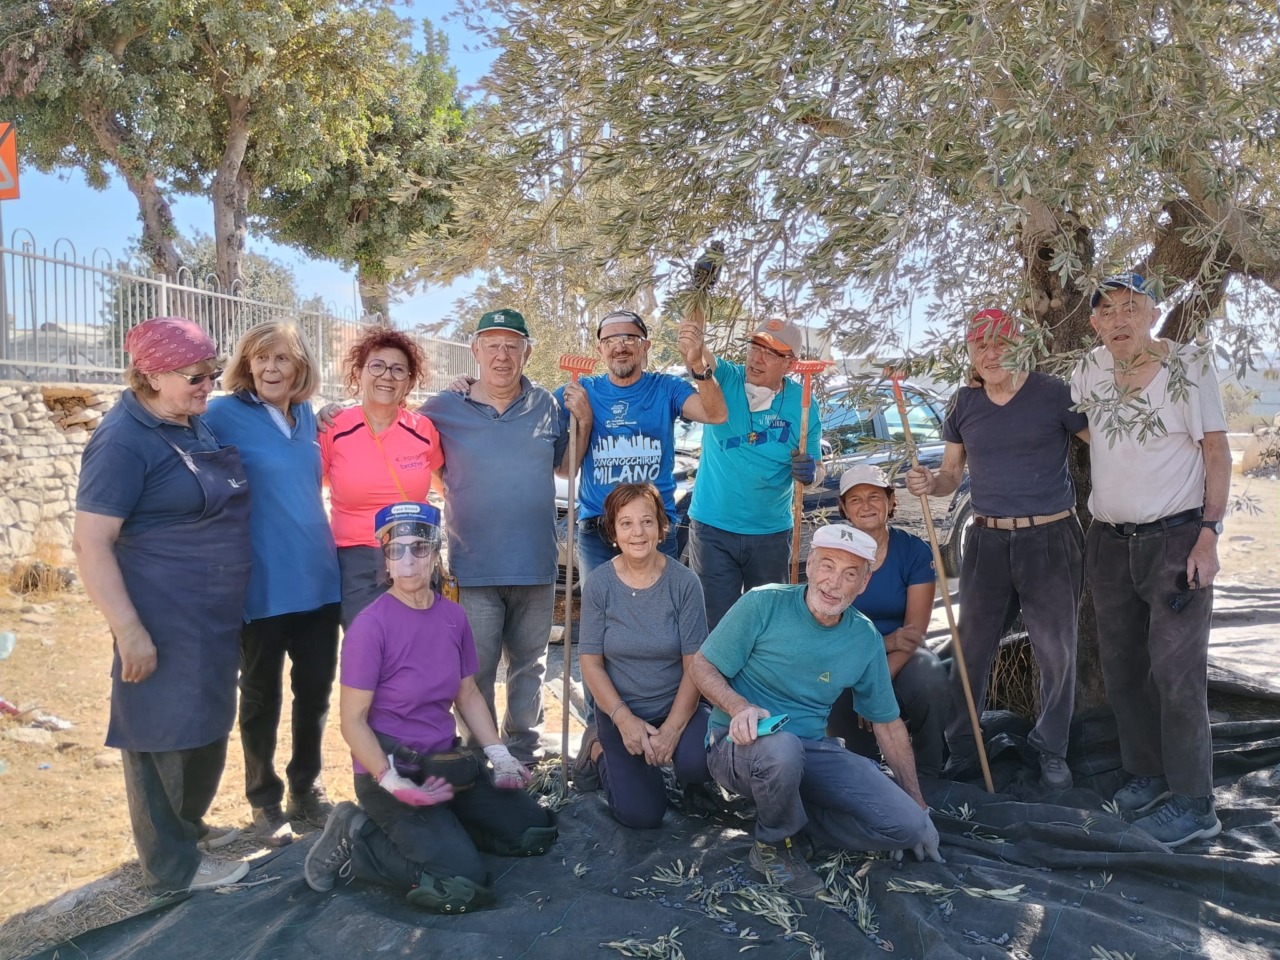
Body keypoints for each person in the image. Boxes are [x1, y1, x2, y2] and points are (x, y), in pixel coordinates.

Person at [303, 503, 557, 913]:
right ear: (384, 559)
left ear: (436, 550)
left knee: (533, 833)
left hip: (445, 766)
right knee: (458, 885)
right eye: (396, 550)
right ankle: (358, 833)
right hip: (392, 772)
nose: (407, 562)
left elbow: (468, 695)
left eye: (419, 548)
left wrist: (499, 754)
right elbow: (351, 721)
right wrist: (389, 780)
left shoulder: (453, 617)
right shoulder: (370, 627)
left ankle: (444, 832)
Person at [73, 316, 251, 894]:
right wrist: (129, 631)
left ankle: (188, 829)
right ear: (149, 374)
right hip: (161, 613)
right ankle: (170, 867)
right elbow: (91, 542)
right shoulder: (122, 441)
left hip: (212, 614)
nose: (209, 386)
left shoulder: (187, 420)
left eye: (212, 372)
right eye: (195, 376)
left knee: (205, 723)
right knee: (159, 734)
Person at [690, 524, 942, 898]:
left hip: (810, 751)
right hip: (737, 743)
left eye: (850, 574)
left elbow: (888, 726)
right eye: (827, 565)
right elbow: (701, 666)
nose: (834, 583)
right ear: (810, 565)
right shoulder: (763, 603)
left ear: (864, 584)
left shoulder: (864, 637)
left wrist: (919, 806)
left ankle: (796, 820)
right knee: (781, 748)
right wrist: (739, 707)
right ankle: (773, 846)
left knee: (906, 827)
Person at [1070, 272, 1230, 848]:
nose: (1119, 320)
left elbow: (1216, 449)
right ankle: (1147, 774)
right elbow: (1091, 429)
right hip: (1110, 541)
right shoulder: (1088, 369)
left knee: (1176, 671)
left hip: (1176, 540)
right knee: (1123, 665)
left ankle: (1194, 802)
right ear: (1093, 322)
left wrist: (1209, 534)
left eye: (1131, 308)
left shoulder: (1189, 367)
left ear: (1153, 314)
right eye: (1107, 311)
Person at [906, 309, 1089, 791]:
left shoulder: (1054, 394)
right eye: (979, 345)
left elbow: (1108, 444)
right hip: (986, 540)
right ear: (969, 352)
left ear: (1019, 344)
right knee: (970, 649)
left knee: (1057, 651)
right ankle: (964, 747)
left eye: (999, 343)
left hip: (1050, 537)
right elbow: (949, 476)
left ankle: (1052, 749)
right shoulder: (964, 402)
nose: (990, 354)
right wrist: (931, 482)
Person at [422, 309, 591, 764]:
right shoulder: (442, 407)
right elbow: (410, 447)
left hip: (535, 564)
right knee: (474, 672)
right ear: (475, 350)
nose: (502, 355)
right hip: (472, 566)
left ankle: (524, 750)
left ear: (527, 352)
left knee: (530, 666)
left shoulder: (548, 405)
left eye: (512, 345)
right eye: (492, 345)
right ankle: (484, 756)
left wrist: (585, 421)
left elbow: (567, 466)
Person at [204, 322, 342, 847]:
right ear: (247, 364)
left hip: (319, 580)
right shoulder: (219, 415)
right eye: (261, 359)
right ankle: (264, 798)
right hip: (260, 584)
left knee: (315, 694)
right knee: (261, 697)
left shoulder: (310, 416)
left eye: (282, 359)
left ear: (300, 366)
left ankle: (307, 788)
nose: (271, 368)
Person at [578, 483, 711, 828]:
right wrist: (623, 719)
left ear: (661, 526)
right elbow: (590, 663)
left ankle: (687, 776)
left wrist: (671, 729)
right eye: (626, 523)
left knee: (698, 761)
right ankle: (597, 749)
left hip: (674, 704)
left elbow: (695, 666)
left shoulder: (684, 583)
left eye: (647, 521)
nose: (638, 532)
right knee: (641, 816)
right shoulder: (599, 585)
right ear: (612, 531)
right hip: (622, 708)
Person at [680, 312, 825, 629]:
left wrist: (811, 473)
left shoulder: (803, 403)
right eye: (755, 347)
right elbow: (699, 356)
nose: (757, 358)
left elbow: (816, 471)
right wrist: (697, 305)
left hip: (770, 533)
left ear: (790, 364)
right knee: (715, 624)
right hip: (712, 528)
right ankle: (715, 680)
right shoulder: (727, 378)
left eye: (771, 353)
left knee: (768, 623)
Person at [557, 309, 728, 576]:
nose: (620, 346)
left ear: (645, 346)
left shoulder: (666, 388)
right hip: (597, 529)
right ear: (599, 348)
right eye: (610, 340)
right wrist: (473, 387)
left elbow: (715, 414)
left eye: (629, 338)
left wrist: (697, 364)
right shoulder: (581, 390)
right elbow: (531, 413)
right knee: (600, 614)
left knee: (657, 613)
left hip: (652, 527)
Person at [826, 465, 949, 776]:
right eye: (855, 500)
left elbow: (913, 634)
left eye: (874, 497)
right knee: (857, 765)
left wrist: (875, 685)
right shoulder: (832, 555)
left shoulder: (914, 551)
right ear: (843, 508)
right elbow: (827, 635)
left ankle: (930, 768)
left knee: (929, 675)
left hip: (900, 659)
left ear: (891, 502)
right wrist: (867, 670)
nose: (865, 506)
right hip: (846, 661)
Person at [320, 327, 443, 628]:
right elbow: (310, 487)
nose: (387, 375)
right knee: (370, 654)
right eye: (377, 366)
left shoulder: (423, 429)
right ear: (359, 373)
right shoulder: (333, 428)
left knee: (421, 655)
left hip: (417, 555)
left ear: (409, 382)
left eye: (398, 369)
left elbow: (447, 485)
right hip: (357, 562)